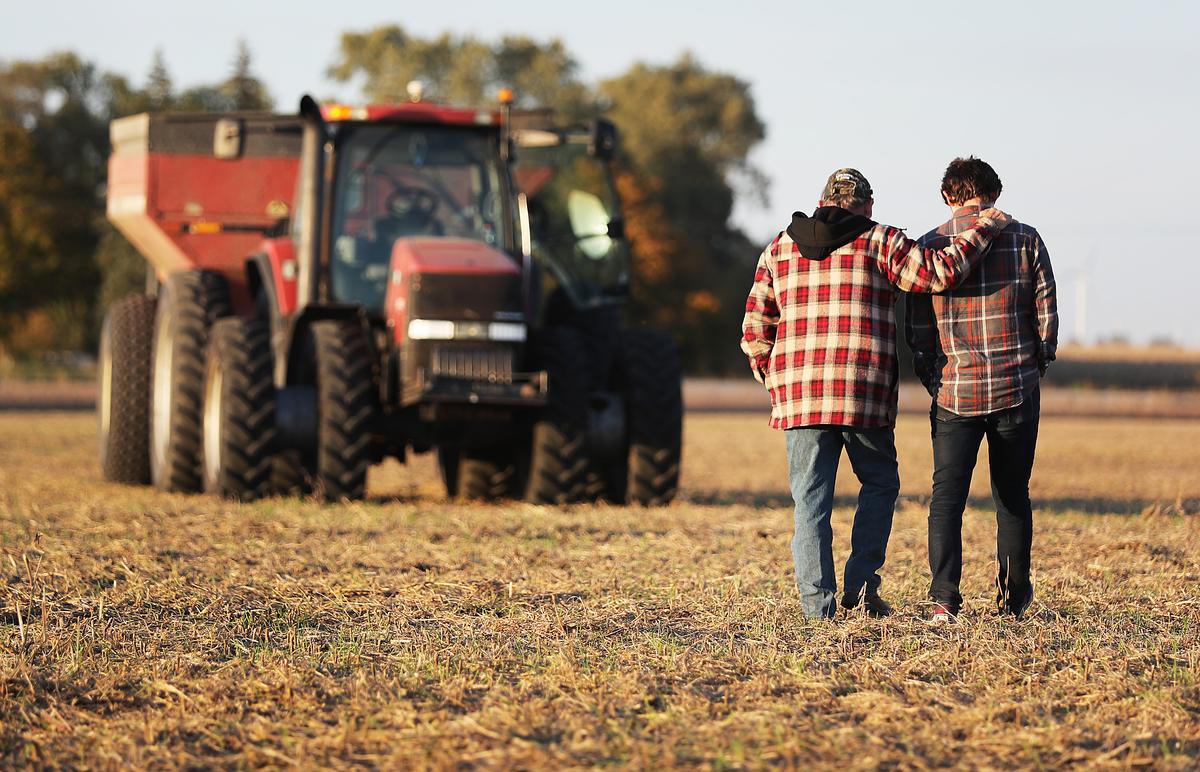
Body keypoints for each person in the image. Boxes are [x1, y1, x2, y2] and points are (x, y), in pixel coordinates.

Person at [741, 168, 1011, 620]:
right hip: (862, 392)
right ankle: (862, 589)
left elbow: (754, 330)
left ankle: (817, 608)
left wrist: (776, 380)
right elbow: (939, 273)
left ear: (822, 201)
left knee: (810, 503)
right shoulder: (879, 240)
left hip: (799, 400)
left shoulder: (778, 247)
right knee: (880, 485)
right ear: (866, 205)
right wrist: (985, 225)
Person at [906, 156, 1058, 623]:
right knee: (1012, 495)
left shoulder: (929, 246)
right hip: (1016, 389)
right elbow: (1046, 317)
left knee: (946, 497)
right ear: (994, 194)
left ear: (947, 196)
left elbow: (918, 332)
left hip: (954, 393)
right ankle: (1013, 601)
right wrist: (1033, 367)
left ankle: (943, 600)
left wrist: (937, 380)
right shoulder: (1026, 237)